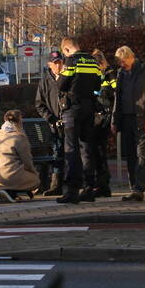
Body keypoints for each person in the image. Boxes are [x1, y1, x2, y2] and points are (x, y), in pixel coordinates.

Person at [112, 46, 145, 202]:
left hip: (142, 119)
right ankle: (133, 188)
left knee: (141, 155)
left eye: (123, 61)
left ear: (130, 57)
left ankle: (139, 189)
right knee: (130, 155)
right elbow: (117, 98)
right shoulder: (121, 74)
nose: (121, 65)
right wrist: (115, 121)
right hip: (126, 119)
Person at [56, 37, 101, 204]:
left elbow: (61, 84)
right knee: (87, 148)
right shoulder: (93, 60)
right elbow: (98, 85)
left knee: (71, 149)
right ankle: (89, 188)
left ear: (67, 49)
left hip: (72, 109)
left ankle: (71, 191)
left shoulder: (71, 61)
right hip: (89, 108)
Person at [0, 110, 40, 203]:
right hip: (8, 177)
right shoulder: (19, 136)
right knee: (35, 180)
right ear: (20, 121)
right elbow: (27, 162)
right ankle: (9, 191)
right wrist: (34, 173)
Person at [35, 51, 65, 196]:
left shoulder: (68, 77)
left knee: (73, 153)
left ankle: (73, 183)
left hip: (68, 121)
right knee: (57, 152)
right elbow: (39, 104)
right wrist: (51, 119)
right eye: (55, 62)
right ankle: (56, 185)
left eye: (60, 62)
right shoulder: (45, 81)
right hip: (54, 125)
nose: (58, 65)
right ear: (49, 64)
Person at [90, 49, 115, 197]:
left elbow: (114, 92)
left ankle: (103, 184)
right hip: (96, 117)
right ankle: (101, 183)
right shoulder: (97, 75)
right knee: (96, 152)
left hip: (103, 117)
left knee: (99, 151)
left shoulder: (109, 74)